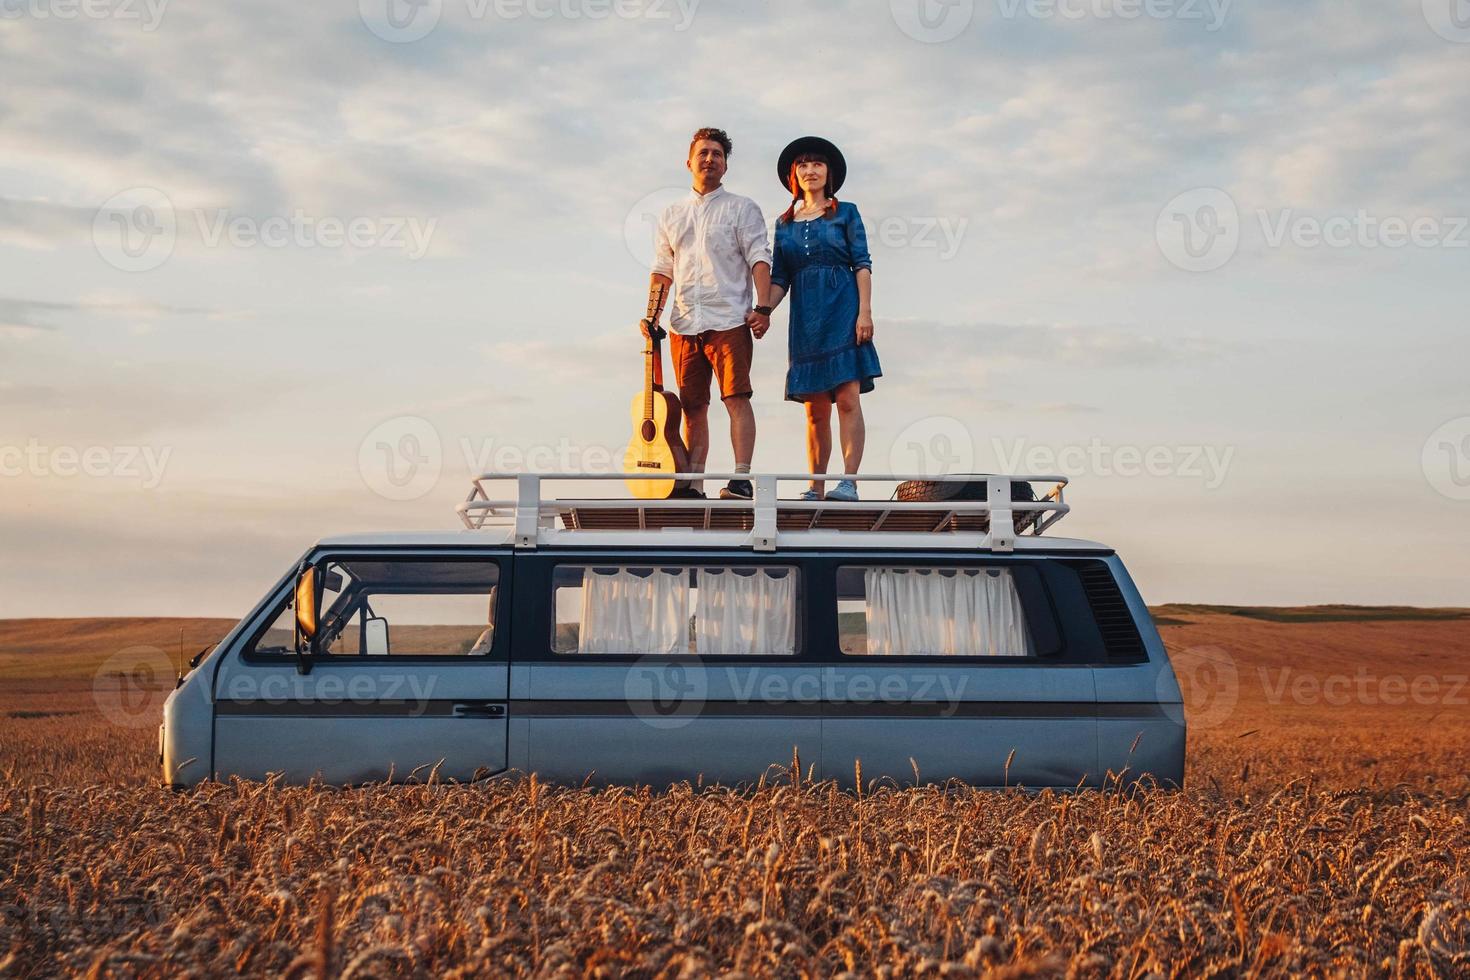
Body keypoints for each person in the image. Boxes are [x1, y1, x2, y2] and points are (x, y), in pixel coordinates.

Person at [643, 127, 773, 500]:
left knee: (736, 398)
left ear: (725, 165)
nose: (710, 159)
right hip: (685, 321)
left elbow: (759, 257)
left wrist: (762, 308)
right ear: (689, 161)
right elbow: (662, 268)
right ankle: (692, 485)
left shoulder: (742, 207)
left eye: (717, 153)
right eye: (703, 153)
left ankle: (741, 478)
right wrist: (651, 316)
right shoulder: (671, 213)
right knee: (692, 407)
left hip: (730, 317)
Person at [764, 136, 881, 502]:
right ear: (793, 176)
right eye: (803, 165)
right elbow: (780, 277)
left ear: (828, 173)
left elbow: (862, 263)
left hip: (843, 307)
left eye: (817, 164)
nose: (810, 170)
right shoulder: (784, 224)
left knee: (848, 398)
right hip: (806, 317)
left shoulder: (846, 212)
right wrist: (762, 310)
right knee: (815, 409)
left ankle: (848, 482)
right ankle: (815, 485)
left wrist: (865, 312)